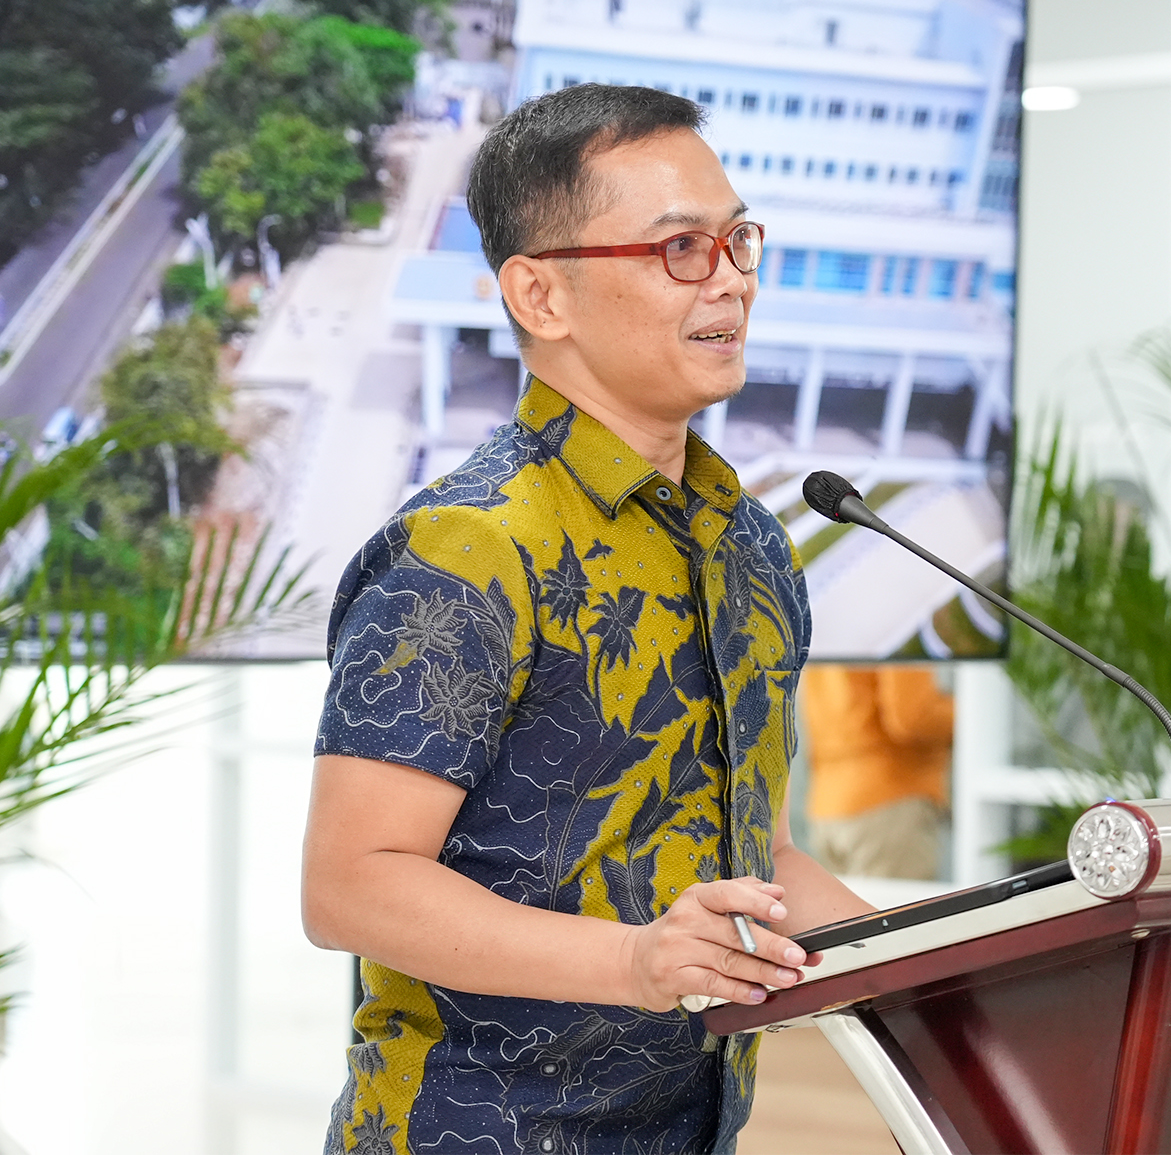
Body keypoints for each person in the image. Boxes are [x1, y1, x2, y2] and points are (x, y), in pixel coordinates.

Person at [302, 84, 873, 1154]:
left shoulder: (752, 547)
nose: (731, 279)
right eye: (679, 248)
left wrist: (949, 964)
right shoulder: (467, 548)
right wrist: (634, 962)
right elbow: (350, 883)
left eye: (738, 240)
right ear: (540, 294)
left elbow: (766, 856)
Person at [799, 665, 954, 880]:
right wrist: (974, 710)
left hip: (827, 804)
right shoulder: (895, 639)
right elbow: (913, 717)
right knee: (901, 902)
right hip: (890, 799)